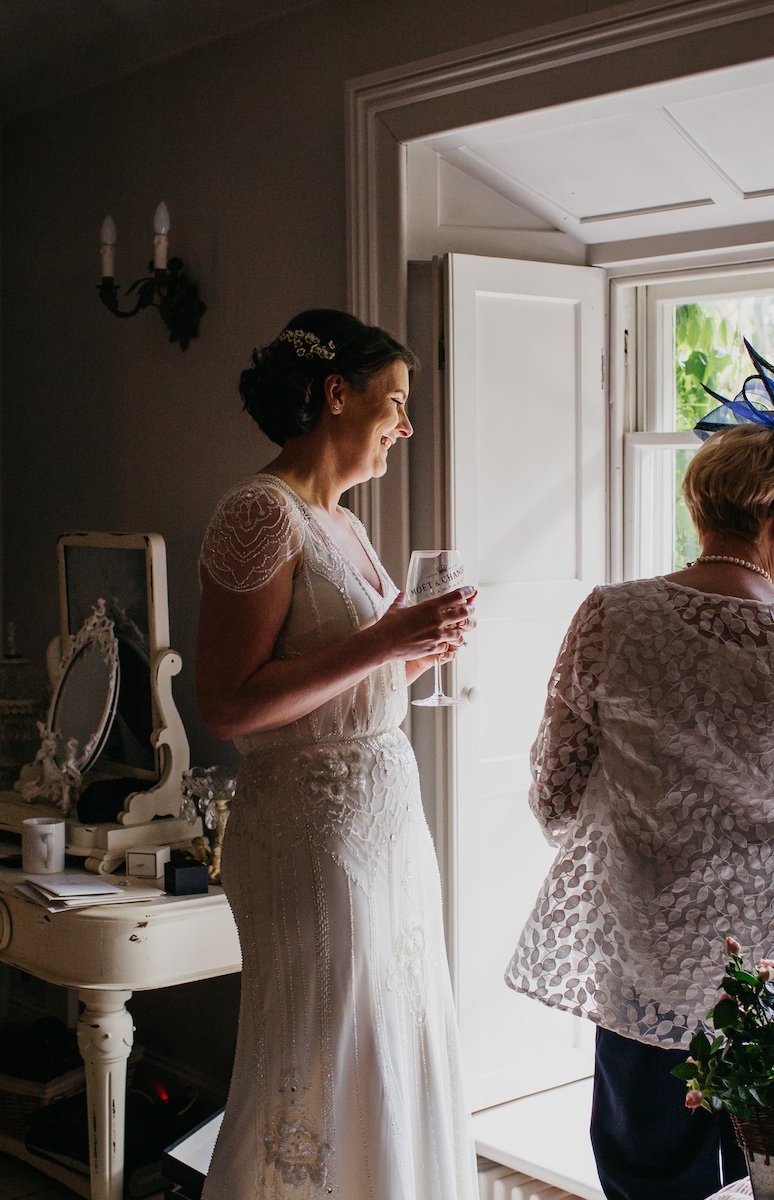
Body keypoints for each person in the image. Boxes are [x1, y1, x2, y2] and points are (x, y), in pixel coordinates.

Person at [505, 343, 774, 1200]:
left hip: (655, 949)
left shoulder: (612, 616)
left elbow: (556, 795)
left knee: (651, 1172)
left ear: (701, 507)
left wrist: (660, 829)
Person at [196, 308, 479, 1199]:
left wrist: (411, 649)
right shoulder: (258, 513)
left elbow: (345, 663)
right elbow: (226, 705)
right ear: (334, 396)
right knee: (323, 1047)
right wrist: (383, 642)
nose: (404, 425)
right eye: (393, 402)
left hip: (387, 819)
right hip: (312, 832)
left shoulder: (346, 523)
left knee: (397, 1036)